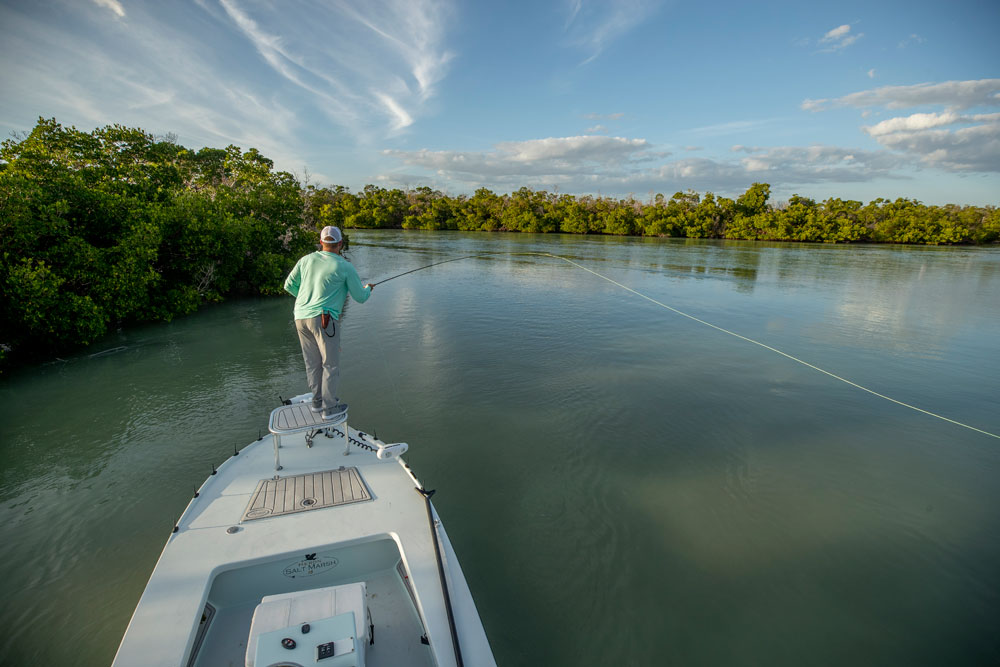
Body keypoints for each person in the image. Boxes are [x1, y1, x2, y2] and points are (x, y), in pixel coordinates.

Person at [284, 226, 374, 420]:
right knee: (330, 365)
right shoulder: (344, 266)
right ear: (340, 244)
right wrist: (368, 289)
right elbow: (360, 297)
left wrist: (306, 300)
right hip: (324, 320)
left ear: (321, 241)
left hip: (300, 317)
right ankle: (329, 409)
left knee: (312, 363)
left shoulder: (306, 260)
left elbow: (289, 285)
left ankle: (317, 403)